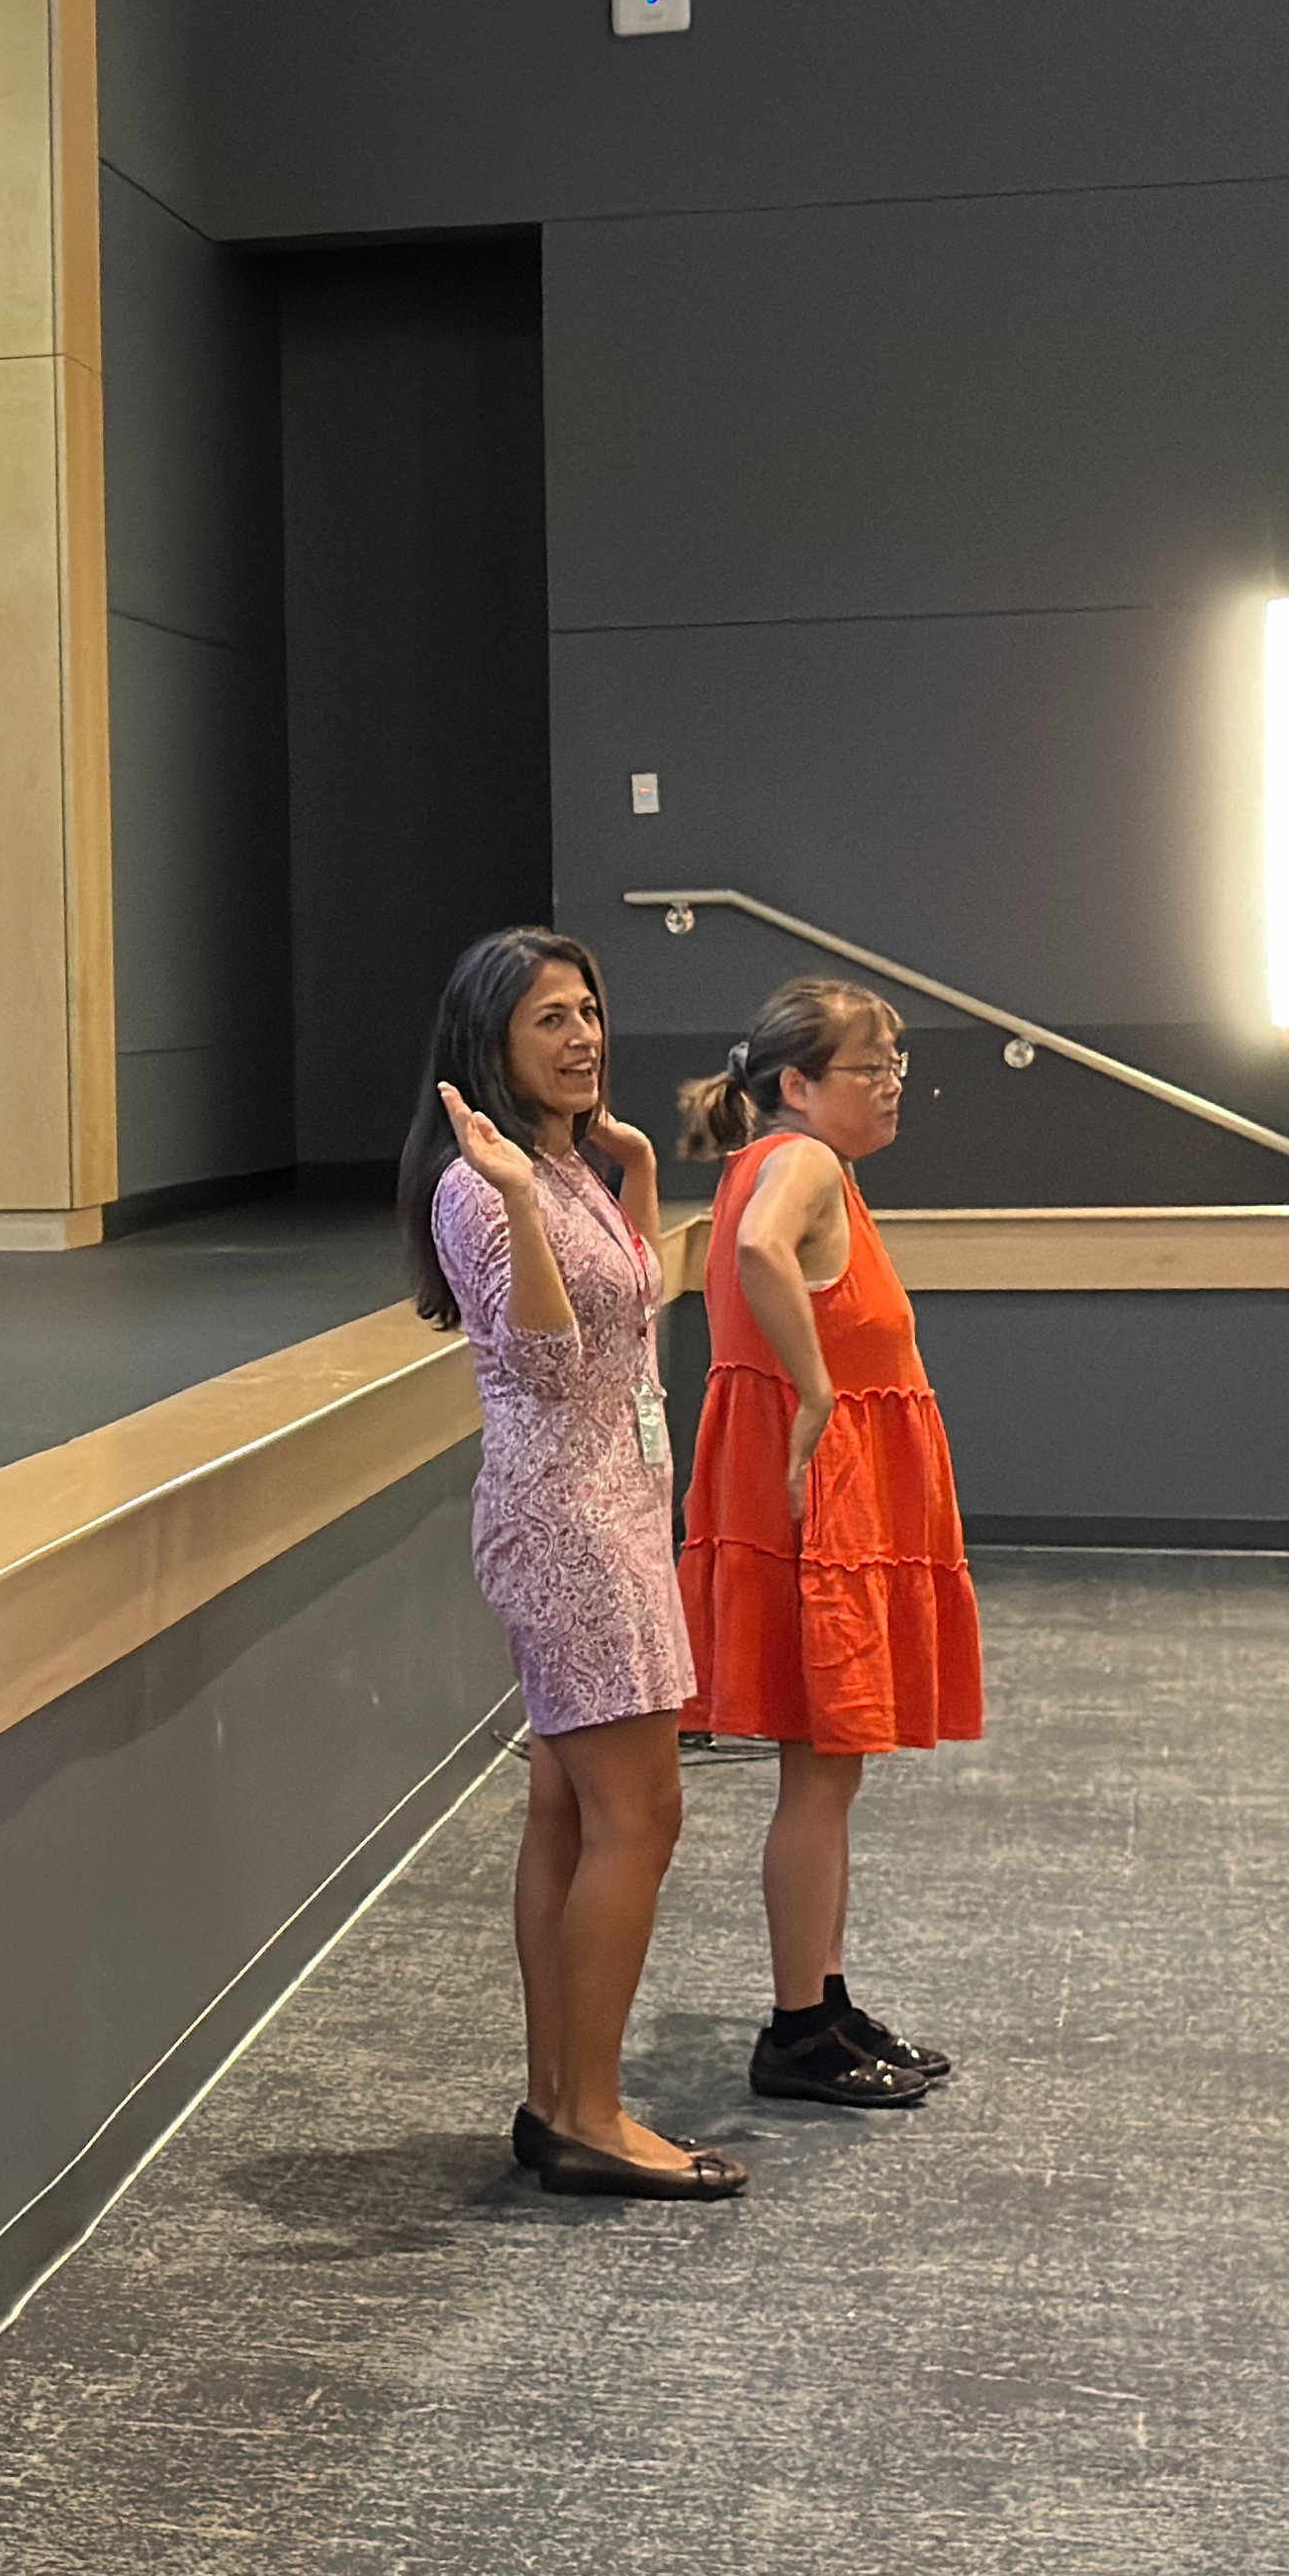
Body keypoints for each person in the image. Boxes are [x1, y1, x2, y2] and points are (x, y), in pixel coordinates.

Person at [402, 927, 744, 2201]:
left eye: (589, 1010)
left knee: (569, 1806)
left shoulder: (565, 1166)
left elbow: (627, 1319)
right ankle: (592, 2113)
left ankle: (560, 2100)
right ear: (488, 1039)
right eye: (550, 1017)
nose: (583, 1034)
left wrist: (637, 1170)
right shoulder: (479, 1182)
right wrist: (509, 1196)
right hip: (567, 1523)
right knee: (639, 1813)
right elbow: (547, 1364)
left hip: (610, 1507)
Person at [680, 977, 977, 2106]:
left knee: (829, 1774)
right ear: (796, 1085)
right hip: (822, 1506)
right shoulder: (795, 1162)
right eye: (872, 1065)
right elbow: (759, 1250)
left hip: (830, 1500)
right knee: (817, 1779)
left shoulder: (797, 1164)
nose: (894, 1081)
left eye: (898, 1060)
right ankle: (799, 2030)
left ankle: (825, 1999)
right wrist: (813, 1391)